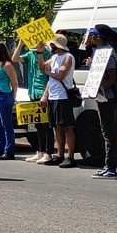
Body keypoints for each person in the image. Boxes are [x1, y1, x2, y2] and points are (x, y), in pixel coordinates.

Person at [86, 25, 117, 179]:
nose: (92, 38)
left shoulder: (108, 53)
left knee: (109, 132)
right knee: (108, 131)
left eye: (94, 36)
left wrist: (100, 89)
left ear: (100, 37)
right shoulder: (100, 52)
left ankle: (111, 167)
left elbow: (112, 77)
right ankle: (112, 166)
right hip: (102, 95)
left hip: (107, 97)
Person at [42, 33, 77, 168]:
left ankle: (71, 156)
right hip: (53, 95)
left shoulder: (68, 57)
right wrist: (40, 53)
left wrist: (49, 73)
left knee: (67, 126)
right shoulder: (53, 57)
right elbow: (42, 67)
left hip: (63, 96)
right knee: (56, 126)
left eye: (51, 44)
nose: (49, 46)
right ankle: (60, 154)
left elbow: (60, 75)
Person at [16, 40, 53, 163]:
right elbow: (14, 59)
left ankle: (48, 152)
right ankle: (40, 151)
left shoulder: (49, 55)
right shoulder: (30, 54)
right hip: (32, 91)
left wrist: (45, 95)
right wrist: (20, 44)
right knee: (37, 124)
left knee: (46, 125)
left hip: (42, 92)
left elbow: (50, 78)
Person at [0, 42, 19, 160]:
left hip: (4, 94)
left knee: (6, 123)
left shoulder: (7, 65)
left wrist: (13, 95)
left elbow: (14, 82)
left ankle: (9, 150)